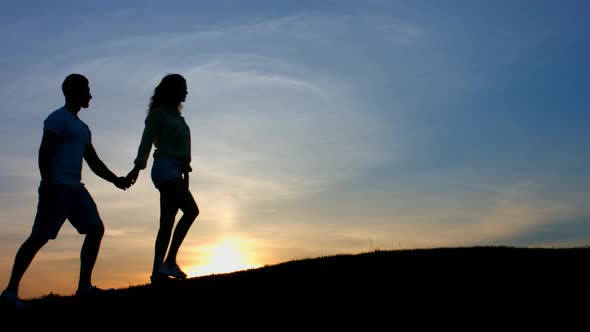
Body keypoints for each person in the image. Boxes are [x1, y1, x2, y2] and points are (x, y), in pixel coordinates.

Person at [0, 74, 131, 309]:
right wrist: (48, 183)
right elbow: (44, 153)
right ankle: (9, 293)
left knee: (95, 228)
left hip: (75, 189)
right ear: (72, 91)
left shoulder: (83, 128)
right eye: (86, 90)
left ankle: (84, 287)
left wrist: (116, 180)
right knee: (39, 238)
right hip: (56, 188)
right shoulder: (57, 119)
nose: (90, 95)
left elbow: (93, 161)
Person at [126, 73, 199, 284]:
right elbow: (146, 142)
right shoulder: (157, 115)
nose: (186, 91)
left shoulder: (179, 119)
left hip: (177, 171)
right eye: (183, 87)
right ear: (173, 90)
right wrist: (137, 168)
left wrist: (185, 174)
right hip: (164, 168)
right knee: (192, 210)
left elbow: (184, 153)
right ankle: (170, 261)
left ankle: (157, 273)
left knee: (166, 223)